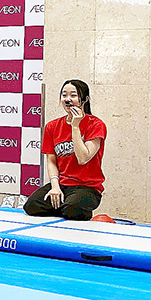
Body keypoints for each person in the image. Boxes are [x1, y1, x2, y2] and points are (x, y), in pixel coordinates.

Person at [23, 79, 107, 220]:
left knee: (72, 208)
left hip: (87, 187)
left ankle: (75, 209)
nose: (68, 100)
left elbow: (83, 158)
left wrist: (75, 126)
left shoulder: (96, 125)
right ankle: (65, 207)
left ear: (85, 99)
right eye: (64, 95)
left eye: (73, 95)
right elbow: (51, 161)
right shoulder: (52, 126)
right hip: (62, 185)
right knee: (32, 206)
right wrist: (55, 187)